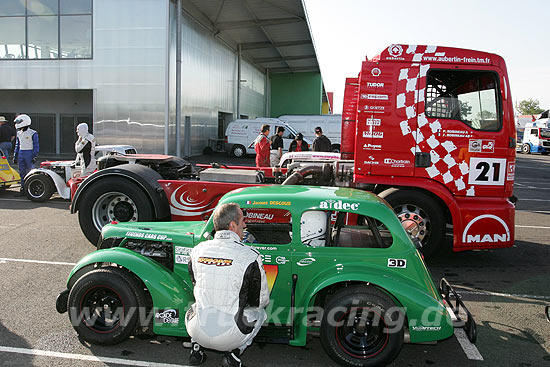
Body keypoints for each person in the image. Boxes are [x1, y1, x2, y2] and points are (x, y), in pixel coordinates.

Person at [185, 203, 269, 367]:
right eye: (242, 220)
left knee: (196, 304)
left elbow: (195, 282)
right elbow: (260, 300)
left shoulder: (197, 250)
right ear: (232, 225)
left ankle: (196, 348)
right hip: (230, 336)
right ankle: (234, 354)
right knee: (261, 313)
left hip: (197, 330)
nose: (245, 224)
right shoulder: (250, 256)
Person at [13, 114, 39, 194]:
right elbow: (17, 145)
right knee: (22, 172)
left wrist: (34, 155)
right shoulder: (19, 133)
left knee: (30, 172)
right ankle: (23, 188)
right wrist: (15, 155)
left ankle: (31, 188)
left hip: (29, 153)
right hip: (21, 152)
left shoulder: (33, 133)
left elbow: (36, 145)